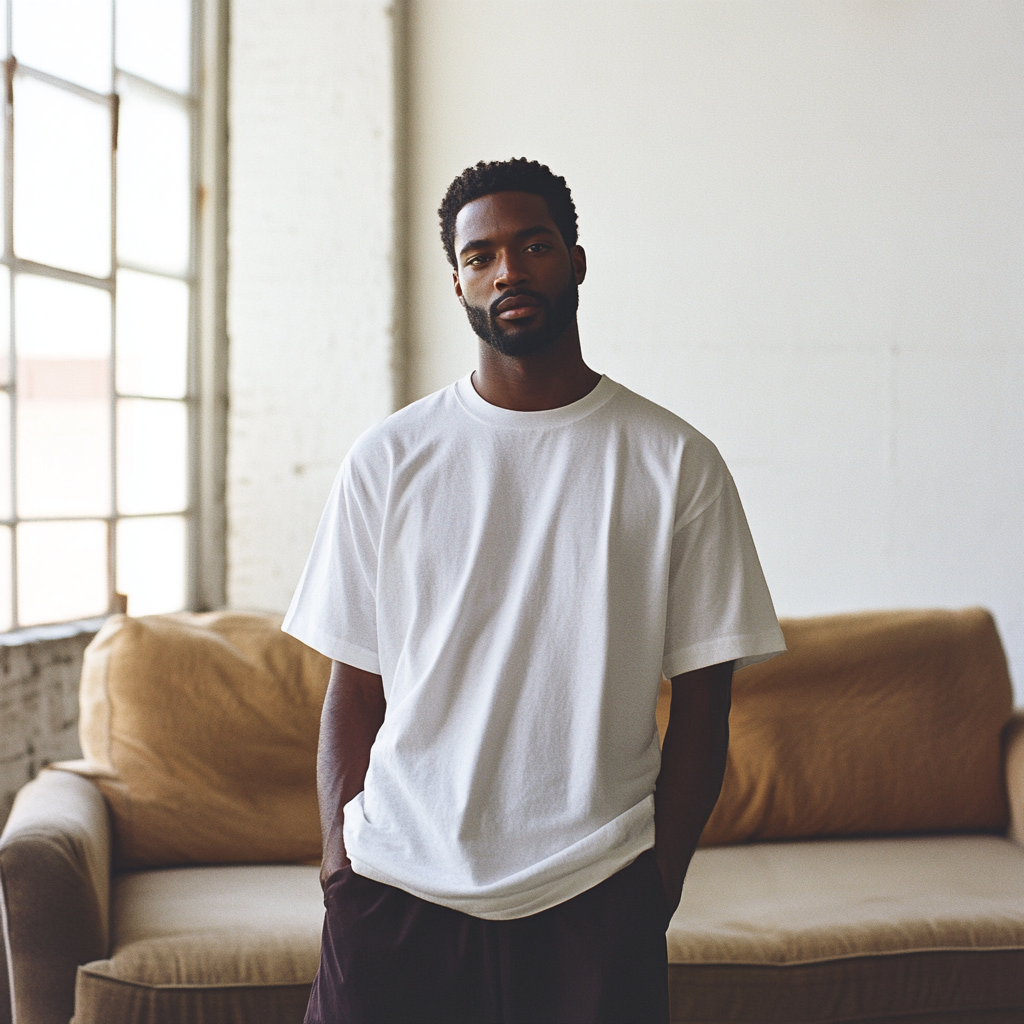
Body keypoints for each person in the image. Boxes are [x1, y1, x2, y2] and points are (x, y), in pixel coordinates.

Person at [283, 158, 785, 1024]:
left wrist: (652, 891)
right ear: (458, 283)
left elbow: (705, 711)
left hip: (594, 899)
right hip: (396, 890)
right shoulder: (389, 460)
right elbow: (353, 688)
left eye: (534, 246)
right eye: (481, 256)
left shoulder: (675, 463)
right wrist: (339, 868)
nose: (508, 270)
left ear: (577, 261)